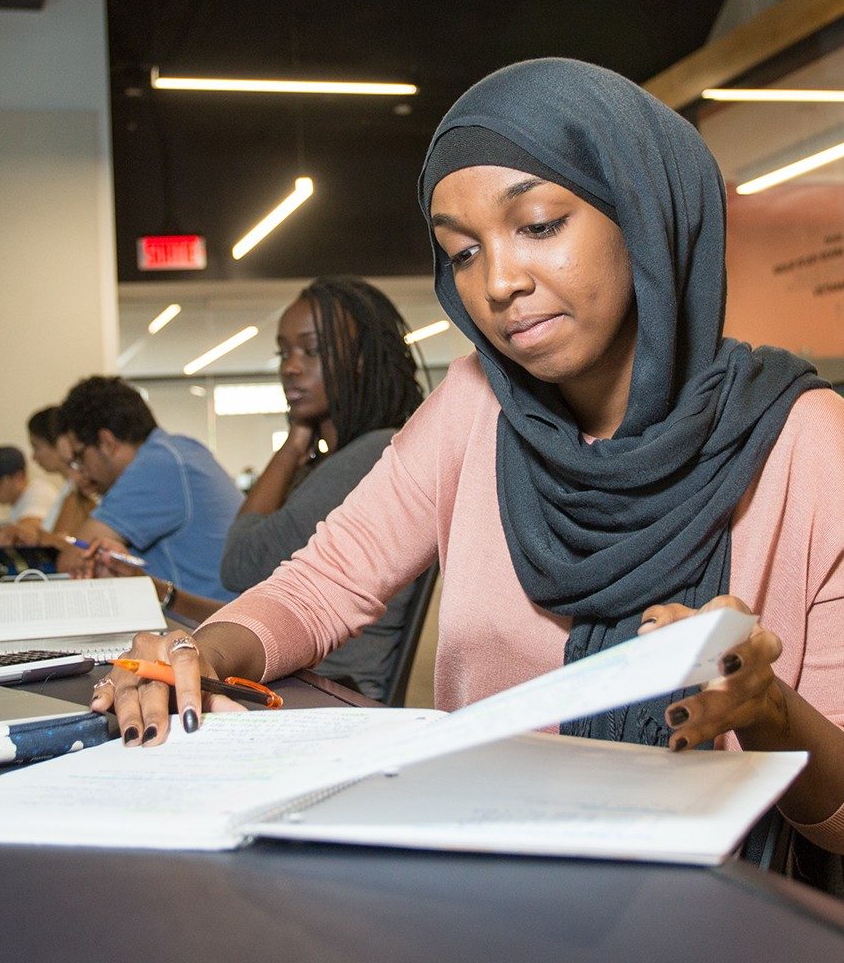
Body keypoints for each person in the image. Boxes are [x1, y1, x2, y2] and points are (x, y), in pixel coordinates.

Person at [92, 58, 843, 859]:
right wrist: (195, 652)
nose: (498, 281)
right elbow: (324, 585)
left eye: (539, 224)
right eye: (460, 252)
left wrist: (765, 709)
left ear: (642, 213)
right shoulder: (472, 407)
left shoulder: (804, 440)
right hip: (481, 881)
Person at [219, 276, 427, 699]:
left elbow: (239, 563)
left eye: (313, 350)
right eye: (284, 352)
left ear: (362, 361)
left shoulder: (372, 453)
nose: (290, 367)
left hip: (332, 692)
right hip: (302, 679)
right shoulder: (334, 459)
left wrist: (294, 440)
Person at [56, 376, 240, 601]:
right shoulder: (179, 450)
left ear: (107, 442)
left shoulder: (158, 466)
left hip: (202, 626)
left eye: (79, 456)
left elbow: (72, 562)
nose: (81, 470)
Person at [0, 406, 95, 550]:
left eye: (37, 447)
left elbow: (65, 550)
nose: (34, 457)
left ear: (60, 442)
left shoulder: (81, 491)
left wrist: (36, 536)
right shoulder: (68, 490)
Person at [0, 445, 57, 545]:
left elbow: (32, 527)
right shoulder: (20, 500)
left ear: (18, 477)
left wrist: (12, 532)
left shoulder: (40, 495)